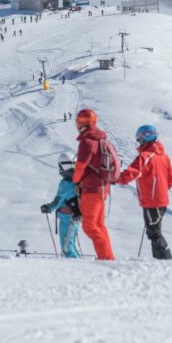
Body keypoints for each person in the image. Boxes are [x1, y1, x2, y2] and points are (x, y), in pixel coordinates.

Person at [116, 125, 172, 259]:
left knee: (154, 233)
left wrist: (115, 178)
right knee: (153, 232)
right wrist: (161, 191)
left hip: (152, 202)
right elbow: (171, 178)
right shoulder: (163, 156)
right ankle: (160, 261)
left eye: (141, 137)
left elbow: (132, 173)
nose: (141, 140)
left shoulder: (145, 156)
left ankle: (167, 261)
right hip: (159, 201)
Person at [72, 109, 116, 260]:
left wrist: (76, 181)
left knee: (89, 226)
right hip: (103, 188)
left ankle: (106, 258)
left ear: (79, 123)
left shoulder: (87, 142)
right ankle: (108, 256)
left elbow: (80, 166)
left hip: (91, 189)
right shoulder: (102, 140)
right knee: (99, 225)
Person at [41, 153, 82, 258]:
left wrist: (47, 208)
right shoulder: (79, 179)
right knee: (70, 245)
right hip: (75, 218)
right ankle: (79, 264)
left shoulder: (66, 183)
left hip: (68, 219)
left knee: (67, 247)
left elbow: (57, 201)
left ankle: (76, 269)